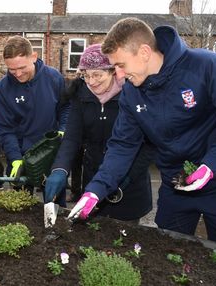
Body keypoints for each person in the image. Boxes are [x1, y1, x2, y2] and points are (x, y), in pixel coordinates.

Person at [68, 17, 216, 248]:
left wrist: (212, 165)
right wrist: (96, 190)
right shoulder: (132, 92)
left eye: (121, 65)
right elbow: (123, 144)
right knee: (168, 249)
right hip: (176, 183)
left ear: (143, 52)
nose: (119, 76)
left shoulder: (207, 67)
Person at [44, 44, 154, 222]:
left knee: (126, 239)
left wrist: (125, 179)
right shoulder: (81, 96)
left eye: (97, 75)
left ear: (113, 71)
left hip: (129, 181)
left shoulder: (133, 95)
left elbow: (148, 144)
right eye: (86, 75)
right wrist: (60, 169)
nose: (91, 82)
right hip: (93, 178)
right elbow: (72, 137)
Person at [0, 36, 70, 197]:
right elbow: (4, 129)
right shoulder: (2, 89)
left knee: (54, 205)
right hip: (22, 155)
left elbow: (66, 108)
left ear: (33, 57)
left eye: (22, 67)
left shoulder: (54, 78)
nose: (18, 74)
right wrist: (15, 158)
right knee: (21, 208)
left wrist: (63, 130)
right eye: (12, 70)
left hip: (51, 153)